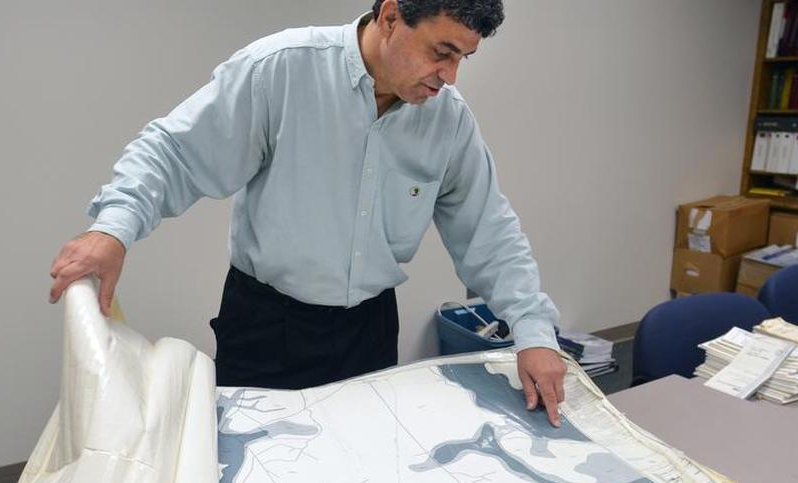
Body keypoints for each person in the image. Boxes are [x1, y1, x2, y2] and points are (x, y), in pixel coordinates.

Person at [49, 0, 568, 426]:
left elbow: (489, 232)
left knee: (363, 477)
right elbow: (174, 152)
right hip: (267, 326)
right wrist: (112, 229)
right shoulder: (282, 69)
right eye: (442, 52)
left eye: (463, 59)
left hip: (368, 329)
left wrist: (533, 332)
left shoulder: (447, 122)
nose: (449, 77)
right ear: (390, 17)